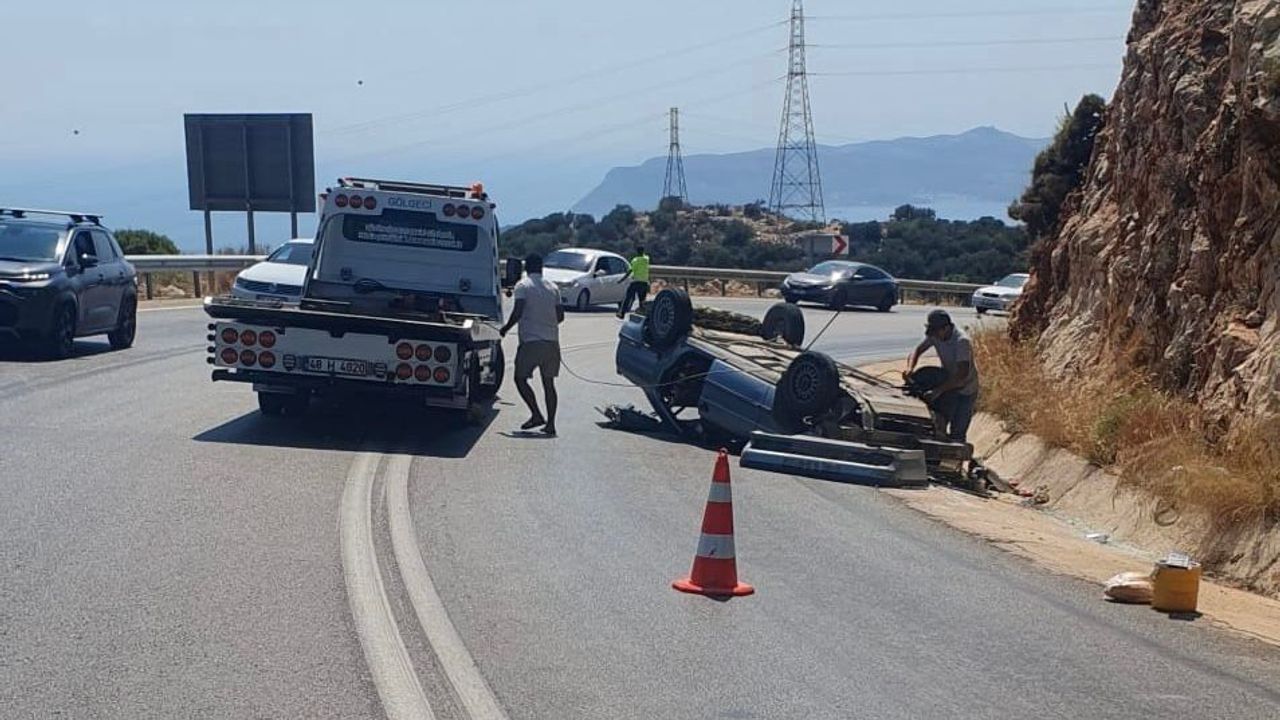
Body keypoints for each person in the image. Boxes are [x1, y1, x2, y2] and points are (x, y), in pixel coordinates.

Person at [499, 253, 565, 436]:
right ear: (541, 268)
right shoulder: (553, 287)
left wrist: (505, 329)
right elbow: (560, 316)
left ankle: (536, 414)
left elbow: (518, 311)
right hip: (552, 342)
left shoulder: (523, 286)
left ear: (526, 268)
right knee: (549, 384)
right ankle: (550, 424)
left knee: (520, 379)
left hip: (531, 342)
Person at [903, 309, 980, 442]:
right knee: (938, 424)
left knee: (958, 431)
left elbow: (962, 374)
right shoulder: (935, 335)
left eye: (936, 332)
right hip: (947, 385)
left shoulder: (961, 341)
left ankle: (956, 451)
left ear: (946, 328)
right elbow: (917, 350)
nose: (934, 336)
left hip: (965, 390)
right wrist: (910, 368)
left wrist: (938, 391)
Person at [616, 245, 652, 318]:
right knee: (642, 300)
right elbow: (645, 256)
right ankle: (643, 314)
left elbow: (630, 271)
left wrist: (621, 280)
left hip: (636, 282)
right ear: (643, 252)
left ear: (637, 252)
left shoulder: (635, 260)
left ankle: (622, 313)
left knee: (628, 297)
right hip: (644, 282)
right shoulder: (646, 259)